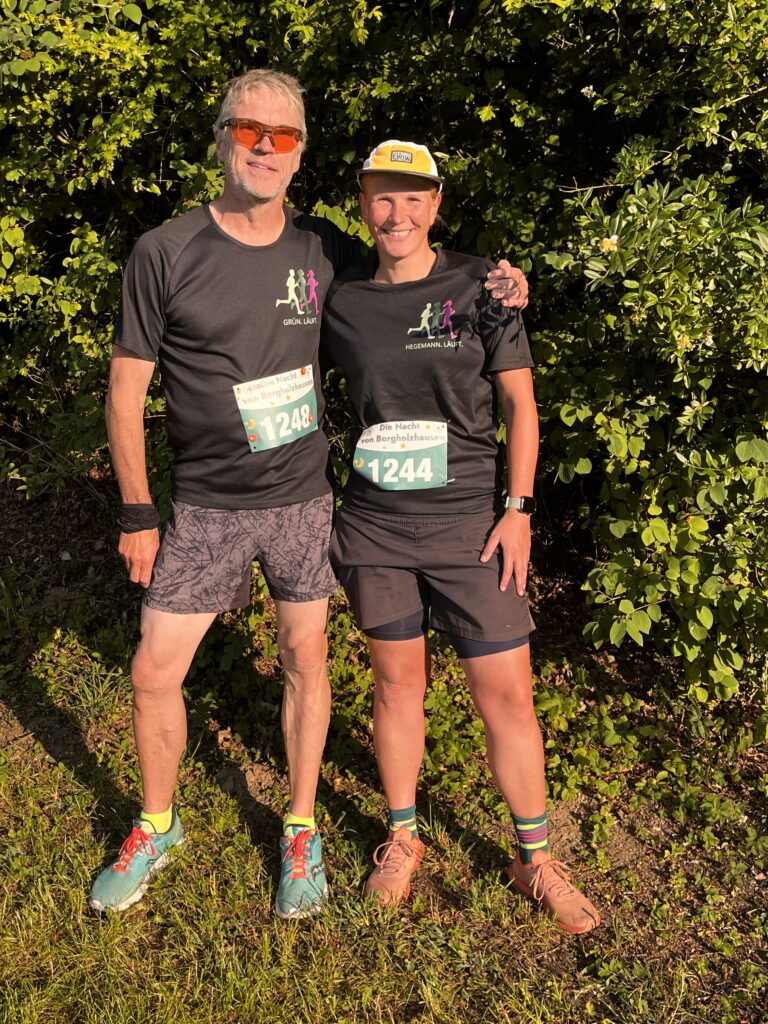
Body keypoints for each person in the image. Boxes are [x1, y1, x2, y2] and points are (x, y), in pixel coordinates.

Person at [88, 73, 528, 919]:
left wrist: (502, 288)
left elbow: (417, 279)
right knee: (152, 670)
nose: (264, 146)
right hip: (205, 505)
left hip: (300, 499)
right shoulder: (165, 251)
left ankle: (300, 826)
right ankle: (156, 822)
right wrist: (139, 514)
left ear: (300, 156)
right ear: (221, 138)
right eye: (250, 130)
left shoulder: (324, 250)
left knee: (306, 661)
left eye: (283, 136)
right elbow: (124, 391)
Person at [323, 141, 601, 934]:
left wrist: (519, 508)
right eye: (382, 197)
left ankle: (534, 860)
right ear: (363, 202)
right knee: (395, 687)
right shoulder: (341, 300)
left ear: (436, 205)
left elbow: (521, 407)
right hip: (375, 527)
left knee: (508, 697)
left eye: (414, 198)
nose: (397, 213)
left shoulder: (483, 287)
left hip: (473, 529)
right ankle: (403, 837)